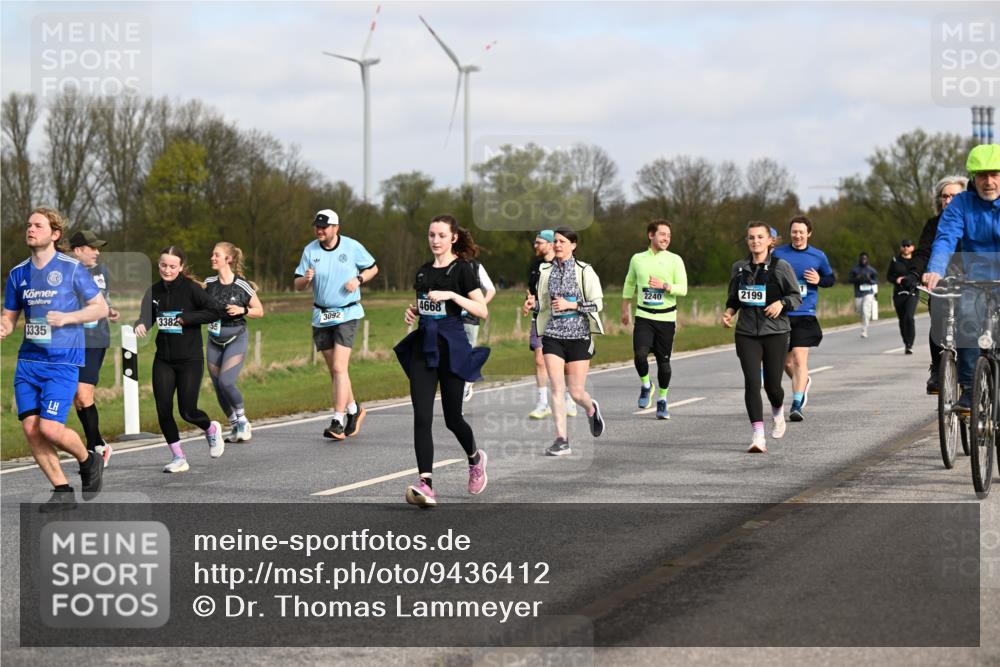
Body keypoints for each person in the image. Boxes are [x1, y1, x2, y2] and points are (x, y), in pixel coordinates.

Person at [1, 207, 106, 511]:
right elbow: (9, 316)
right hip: (28, 363)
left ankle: (89, 460)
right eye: (28, 225)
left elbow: (98, 308)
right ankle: (62, 490)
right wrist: (5, 327)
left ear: (55, 234)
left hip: (62, 362)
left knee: (49, 428)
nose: (30, 229)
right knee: (31, 428)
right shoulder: (18, 273)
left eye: (38, 225)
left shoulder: (72, 269)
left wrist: (69, 317)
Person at [394, 215, 490, 508]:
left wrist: (451, 294)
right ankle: (426, 484)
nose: (435, 240)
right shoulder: (422, 273)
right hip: (425, 347)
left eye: (440, 235)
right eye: (431, 235)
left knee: (452, 418)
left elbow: (481, 310)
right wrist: (414, 312)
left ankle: (475, 459)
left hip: (452, 347)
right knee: (422, 417)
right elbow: (427, 307)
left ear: (453, 238)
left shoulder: (463, 270)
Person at [135, 246, 228, 473]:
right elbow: (147, 317)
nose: (167, 270)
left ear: (181, 267)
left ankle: (210, 429)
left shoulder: (191, 289)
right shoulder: (154, 291)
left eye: (172, 266)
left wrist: (186, 318)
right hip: (164, 360)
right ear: (159, 266)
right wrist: (141, 325)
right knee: (163, 409)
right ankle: (178, 457)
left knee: (187, 411)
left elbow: (216, 311)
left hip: (189, 360)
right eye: (163, 266)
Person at [923, 143, 1000, 413]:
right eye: (982, 175)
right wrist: (935, 269)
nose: (988, 182)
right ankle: (969, 389)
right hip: (974, 280)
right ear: (973, 178)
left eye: (995, 174)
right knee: (966, 319)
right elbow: (945, 239)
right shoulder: (961, 204)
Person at [294, 209, 378, 440]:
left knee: (340, 368)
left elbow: (373, 267)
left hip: (347, 312)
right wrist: (306, 279)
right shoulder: (310, 250)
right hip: (321, 316)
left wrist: (358, 279)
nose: (319, 230)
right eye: (317, 226)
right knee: (335, 370)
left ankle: (337, 420)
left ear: (336, 227)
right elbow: (297, 284)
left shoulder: (351, 247)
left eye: (324, 226)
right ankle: (354, 409)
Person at [721, 221, 802, 453]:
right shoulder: (738, 267)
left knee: (773, 386)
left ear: (769, 241)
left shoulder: (781, 266)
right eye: (751, 238)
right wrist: (728, 313)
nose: (755, 241)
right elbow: (734, 298)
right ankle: (758, 435)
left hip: (776, 332)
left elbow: (796, 296)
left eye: (759, 237)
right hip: (746, 332)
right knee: (752, 383)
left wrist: (781, 303)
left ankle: (777, 411)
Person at [526, 226, 606, 456]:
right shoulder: (545, 271)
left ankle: (591, 408)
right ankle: (562, 439)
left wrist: (572, 305)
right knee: (557, 388)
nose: (558, 245)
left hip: (579, 336)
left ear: (573, 245)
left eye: (563, 241)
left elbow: (597, 305)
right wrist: (533, 305)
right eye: (556, 241)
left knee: (577, 391)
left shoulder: (584, 271)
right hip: (553, 334)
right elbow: (543, 302)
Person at [621, 219, 688, 419]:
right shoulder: (637, 259)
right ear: (651, 235)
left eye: (668, 235)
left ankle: (662, 400)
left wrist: (665, 286)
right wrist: (624, 309)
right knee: (640, 355)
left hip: (666, 318)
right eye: (662, 234)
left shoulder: (675, 260)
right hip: (643, 316)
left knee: (663, 362)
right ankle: (646, 385)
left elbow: (683, 289)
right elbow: (629, 283)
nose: (666, 238)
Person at [772, 215, 836, 421]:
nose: (797, 235)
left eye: (801, 232)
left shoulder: (818, 256)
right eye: (794, 231)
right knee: (784, 362)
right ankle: (804, 381)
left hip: (805, 313)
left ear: (809, 233)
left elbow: (830, 279)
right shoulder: (778, 254)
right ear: (790, 233)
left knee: (799, 359)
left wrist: (820, 279)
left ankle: (797, 403)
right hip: (782, 314)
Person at [911, 175, 968, 394]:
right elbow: (924, 251)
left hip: (971, 279)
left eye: (954, 196)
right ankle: (937, 369)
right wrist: (915, 273)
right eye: (945, 196)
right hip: (942, 281)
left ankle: (975, 373)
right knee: (937, 320)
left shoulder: (969, 221)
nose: (948, 200)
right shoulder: (933, 224)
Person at [204, 242, 264, 443]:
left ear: (228, 259)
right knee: (217, 385)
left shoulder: (241, 285)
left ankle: (243, 420)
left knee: (226, 381)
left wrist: (243, 310)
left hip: (235, 337)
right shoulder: (209, 283)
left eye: (216, 255)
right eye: (212, 255)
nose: (212, 258)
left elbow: (259, 310)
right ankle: (233, 424)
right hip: (213, 339)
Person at [69, 229, 120, 466]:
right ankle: (98, 443)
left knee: (83, 393)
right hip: (70, 341)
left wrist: (109, 310)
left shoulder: (102, 272)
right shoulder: (63, 272)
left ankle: (95, 449)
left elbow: (103, 300)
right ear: (78, 250)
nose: (98, 252)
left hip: (95, 340)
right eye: (93, 248)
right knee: (77, 399)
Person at [523, 230, 576, 419]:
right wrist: (528, 300)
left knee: (566, 363)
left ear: (549, 244)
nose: (535, 246)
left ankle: (570, 398)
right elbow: (531, 289)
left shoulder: (564, 263)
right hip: (540, 317)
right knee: (539, 359)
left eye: (539, 243)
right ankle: (543, 403)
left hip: (563, 318)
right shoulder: (535, 265)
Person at [461, 252, 497, 402]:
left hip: (470, 318)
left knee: (466, 354)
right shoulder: (445, 264)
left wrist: (479, 306)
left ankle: (467, 384)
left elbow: (491, 289)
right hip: (449, 318)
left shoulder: (476, 266)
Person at [886, 239, 920, 354]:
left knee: (909, 317)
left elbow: (921, 273)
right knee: (902, 319)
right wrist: (896, 279)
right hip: (899, 293)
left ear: (912, 248)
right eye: (904, 245)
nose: (906, 247)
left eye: (908, 245)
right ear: (901, 248)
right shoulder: (895, 261)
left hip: (912, 292)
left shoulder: (916, 261)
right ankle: (906, 342)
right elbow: (889, 276)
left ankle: (910, 343)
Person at [848, 253, 879, 338]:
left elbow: (876, 281)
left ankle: (864, 330)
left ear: (867, 259)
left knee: (866, 311)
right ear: (859, 259)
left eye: (865, 259)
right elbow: (849, 280)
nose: (863, 260)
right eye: (862, 259)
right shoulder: (855, 269)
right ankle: (865, 319)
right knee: (860, 311)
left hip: (868, 293)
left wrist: (869, 280)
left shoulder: (872, 270)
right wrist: (857, 278)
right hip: (858, 293)